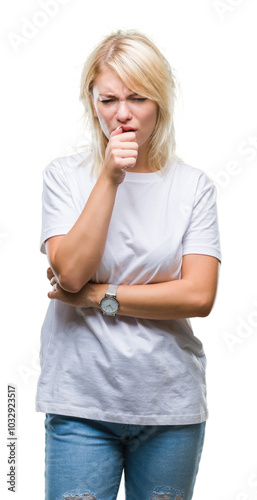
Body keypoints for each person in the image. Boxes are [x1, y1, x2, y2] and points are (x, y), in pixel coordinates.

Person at [36, 30, 222, 500]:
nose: (122, 113)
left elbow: (198, 296)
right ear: (91, 101)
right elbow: (71, 273)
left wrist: (101, 296)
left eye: (138, 98)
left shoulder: (193, 187)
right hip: (80, 403)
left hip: (168, 409)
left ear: (160, 102)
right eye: (109, 99)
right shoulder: (65, 177)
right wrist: (110, 176)